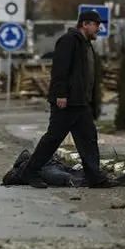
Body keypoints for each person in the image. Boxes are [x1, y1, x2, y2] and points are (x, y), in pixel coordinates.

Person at [14, 10, 110, 189]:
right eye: (96, 25)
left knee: (88, 138)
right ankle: (29, 172)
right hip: (67, 102)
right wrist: (61, 94)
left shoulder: (85, 44)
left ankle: (95, 177)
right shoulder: (68, 41)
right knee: (53, 139)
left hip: (80, 102)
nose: (98, 28)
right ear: (85, 24)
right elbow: (59, 70)